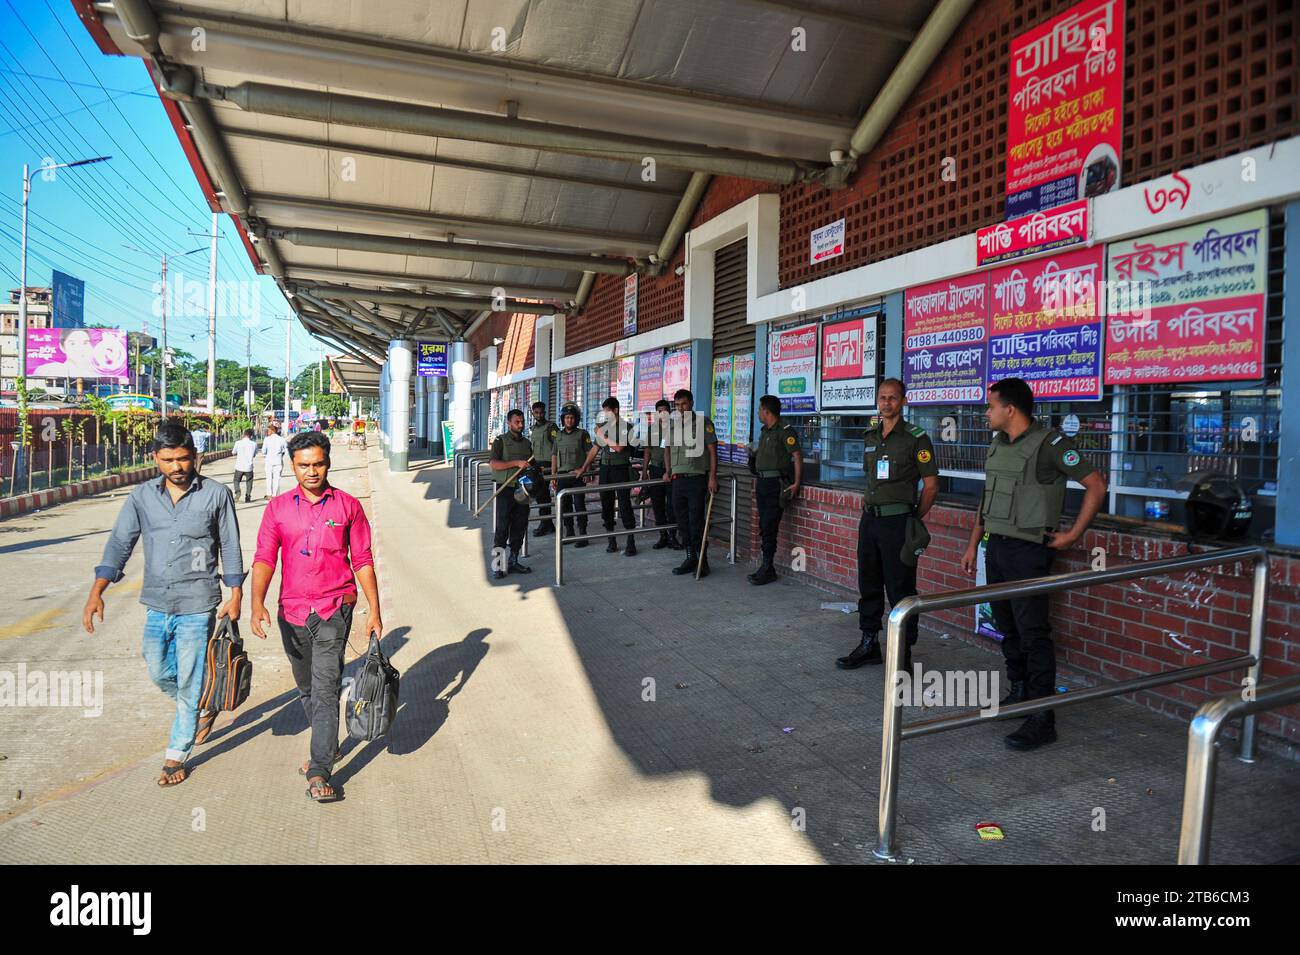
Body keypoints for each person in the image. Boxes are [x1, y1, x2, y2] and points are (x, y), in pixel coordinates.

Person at [81, 423, 245, 787]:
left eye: (184, 458)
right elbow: (119, 543)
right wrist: (98, 590)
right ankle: (203, 704)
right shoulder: (142, 497)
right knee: (157, 669)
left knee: (188, 677)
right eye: (168, 459)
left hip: (199, 602)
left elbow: (230, 546)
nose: (177, 467)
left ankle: (176, 753)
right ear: (155, 458)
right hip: (156, 601)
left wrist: (236, 594)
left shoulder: (216, 495)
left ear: (195, 457)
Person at [959, 377, 1106, 751]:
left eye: (990, 406)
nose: (986, 413)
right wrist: (974, 544)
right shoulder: (997, 444)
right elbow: (987, 498)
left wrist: (1073, 535)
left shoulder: (1050, 444)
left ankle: (1043, 716)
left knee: (1033, 631)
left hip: (1029, 552)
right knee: (1006, 624)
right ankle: (1020, 691)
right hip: (998, 547)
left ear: (1010, 409)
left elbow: (1095, 485)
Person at [249, 431, 382, 802]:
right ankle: (327, 743)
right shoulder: (276, 508)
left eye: (318, 464)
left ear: (329, 463)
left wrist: (374, 609)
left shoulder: (348, 507)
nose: (312, 472)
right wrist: (256, 603)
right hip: (291, 612)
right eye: (304, 465)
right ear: (292, 465)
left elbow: (364, 561)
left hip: (334, 609)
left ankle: (320, 768)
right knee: (306, 686)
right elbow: (264, 559)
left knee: (325, 688)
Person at [838, 379, 939, 671]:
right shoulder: (870, 436)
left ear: (903, 401)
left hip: (898, 522)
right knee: (868, 584)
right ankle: (869, 643)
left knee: (900, 588)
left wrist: (913, 517)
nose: (886, 403)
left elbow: (931, 486)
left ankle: (903, 656)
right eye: (882, 398)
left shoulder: (915, 438)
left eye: (892, 398)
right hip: (870, 520)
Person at [748, 394, 803, 585]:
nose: (758, 413)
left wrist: (796, 483)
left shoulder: (784, 431)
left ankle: (768, 567)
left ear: (766, 411)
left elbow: (796, 456)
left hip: (775, 485)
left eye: (759, 410)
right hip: (762, 483)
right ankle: (766, 566)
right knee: (764, 525)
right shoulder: (765, 431)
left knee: (770, 526)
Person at [663, 388, 718, 578]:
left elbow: (712, 451)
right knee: (682, 522)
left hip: (696, 479)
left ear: (691, 403)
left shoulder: (703, 423)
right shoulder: (672, 424)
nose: (680, 408)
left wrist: (712, 477)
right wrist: (668, 470)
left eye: (684, 404)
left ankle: (703, 561)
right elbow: (667, 450)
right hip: (678, 481)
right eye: (677, 405)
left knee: (696, 522)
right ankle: (689, 558)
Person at [577, 396, 638, 556]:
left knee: (624, 505)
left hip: (621, 469)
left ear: (616, 410)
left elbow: (619, 448)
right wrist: (583, 468)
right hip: (605, 469)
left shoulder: (626, 427)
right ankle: (611, 539)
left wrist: (602, 435)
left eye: (608, 412)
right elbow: (595, 450)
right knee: (606, 504)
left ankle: (631, 542)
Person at [488, 408, 534, 579]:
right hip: (505, 488)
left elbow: (532, 464)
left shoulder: (527, 443)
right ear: (509, 423)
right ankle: (497, 565)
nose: (520, 425)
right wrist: (516, 463)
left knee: (520, 525)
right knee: (502, 528)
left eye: (522, 422)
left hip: (523, 489)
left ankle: (514, 560)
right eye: (517, 422)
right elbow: (494, 464)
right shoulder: (500, 441)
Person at [551, 404, 594, 548]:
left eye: (572, 418)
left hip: (577, 476)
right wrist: (553, 476)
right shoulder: (558, 436)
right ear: (563, 420)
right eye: (567, 418)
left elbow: (590, 453)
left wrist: (586, 470)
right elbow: (554, 456)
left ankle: (583, 534)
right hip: (562, 476)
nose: (569, 420)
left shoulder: (583, 434)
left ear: (576, 419)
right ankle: (569, 532)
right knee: (565, 506)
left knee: (579, 505)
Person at [643, 399, 682, 550]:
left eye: (665, 411)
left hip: (672, 471)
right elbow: (647, 451)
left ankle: (673, 536)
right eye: (660, 411)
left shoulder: (675, 428)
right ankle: (663, 535)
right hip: (655, 470)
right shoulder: (651, 430)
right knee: (657, 504)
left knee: (672, 504)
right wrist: (645, 471)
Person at [528, 401, 558, 536]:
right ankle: (548, 524)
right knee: (541, 496)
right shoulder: (533, 429)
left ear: (545, 412)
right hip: (536, 465)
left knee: (542, 496)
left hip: (547, 465)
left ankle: (545, 524)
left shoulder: (551, 427)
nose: (539, 415)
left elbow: (558, 446)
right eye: (536, 412)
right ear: (533, 413)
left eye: (541, 412)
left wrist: (555, 469)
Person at [261, 422, 288, 497]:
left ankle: (269, 494)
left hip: (269, 461)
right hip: (278, 461)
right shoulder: (282, 439)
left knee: (269, 478)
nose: (268, 431)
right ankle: (275, 495)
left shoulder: (267, 439)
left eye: (269, 430)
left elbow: (263, 451)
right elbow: (286, 451)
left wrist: (266, 454)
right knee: (277, 479)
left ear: (272, 430)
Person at [231, 428, 258, 502]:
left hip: (239, 466)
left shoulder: (238, 443)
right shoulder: (254, 444)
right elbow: (255, 454)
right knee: (249, 481)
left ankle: (238, 492)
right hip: (249, 467)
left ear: (243, 434)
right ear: (251, 436)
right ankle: (248, 496)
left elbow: (233, 452)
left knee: (236, 480)